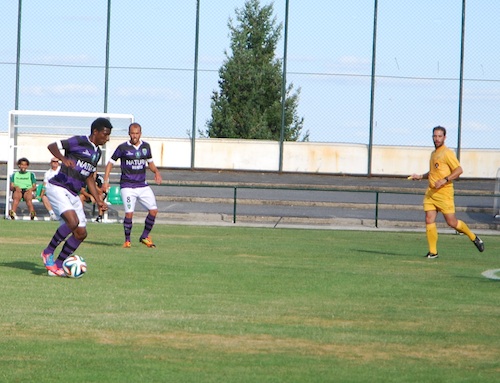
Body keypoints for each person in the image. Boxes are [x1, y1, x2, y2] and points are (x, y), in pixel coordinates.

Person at [40, 117, 113, 277]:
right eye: (105, 134)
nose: (107, 138)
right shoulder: (79, 141)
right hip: (58, 186)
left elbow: (88, 178)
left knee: (81, 233)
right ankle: (48, 252)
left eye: (108, 135)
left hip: (73, 192)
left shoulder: (97, 153)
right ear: (95, 131)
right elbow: (52, 146)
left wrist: (99, 200)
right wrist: (63, 158)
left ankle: (57, 266)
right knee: (72, 222)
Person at [409, 125, 484, 258]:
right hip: (431, 193)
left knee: (452, 222)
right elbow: (433, 173)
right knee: (429, 219)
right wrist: (420, 176)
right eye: (435, 136)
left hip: (444, 194)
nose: (437, 139)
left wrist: (445, 180)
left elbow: (459, 170)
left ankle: (473, 237)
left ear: (444, 137)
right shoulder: (433, 154)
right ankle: (433, 252)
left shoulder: (447, 153)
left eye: (439, 136)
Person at [104, 122, 162, 248]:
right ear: (129, 134)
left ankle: (145, 236)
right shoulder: (122, 148)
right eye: (132, 133)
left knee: (154, 210)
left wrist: (156, 172)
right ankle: (127, 241)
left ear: (140, 134)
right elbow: (110, 163)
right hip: (128, 186)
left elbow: (150, 163)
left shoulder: (146, 147)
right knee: (129, 213)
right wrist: (106, 180)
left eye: (137, 133)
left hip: (142, 185)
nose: (134, 136)